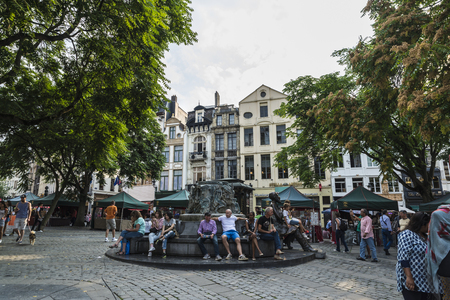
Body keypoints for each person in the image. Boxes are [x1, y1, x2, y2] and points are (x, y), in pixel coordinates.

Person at [397, 212, 438, 299]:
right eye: (428, 225)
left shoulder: (425, 236)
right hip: (412, 277)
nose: (429, 227)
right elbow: (403, 258)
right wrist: (409, 277)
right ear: (421, 225)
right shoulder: (407, 234)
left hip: (425, 279)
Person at [426, 204, 450, 300]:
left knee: (447, 293)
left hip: (443, 260)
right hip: (444, 262)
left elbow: (433, 234)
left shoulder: (436, 215)